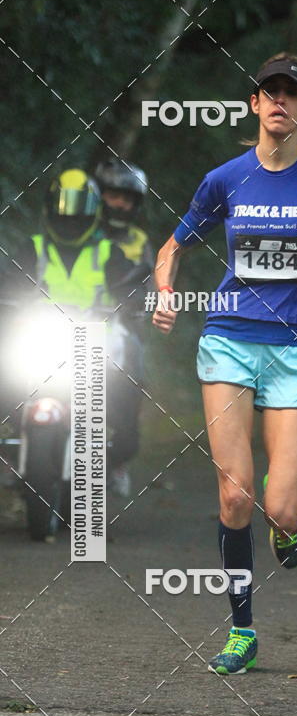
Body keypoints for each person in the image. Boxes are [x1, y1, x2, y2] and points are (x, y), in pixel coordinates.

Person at [152, 53, 297, 675]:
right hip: (229, 339)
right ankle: (242, 628)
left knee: (284, 510)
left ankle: (289, 530)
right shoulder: (225, 178)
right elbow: (173, 244)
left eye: (291, 93)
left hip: (296, 348)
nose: (279, 100)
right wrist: (166, 291)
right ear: (254, 104)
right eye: (269, 91)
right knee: (235, 493)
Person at [0, 168, 147, 495]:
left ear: (93, 213)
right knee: (6, 367)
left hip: (96, 343)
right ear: (50, 209)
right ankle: (11, 448)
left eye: (77, 210)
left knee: (127, 375)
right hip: (41, 337)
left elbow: (134, 283)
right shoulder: (33, 248)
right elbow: (9, 280)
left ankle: (116, 451)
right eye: (62, 208)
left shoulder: (108, 252)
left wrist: (136, 298)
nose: (69, 216)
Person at [95, 158, 154, 496]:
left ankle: (120, 452)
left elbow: (149, 283)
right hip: (68, 321)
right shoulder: (81, 230)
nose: (119, 203)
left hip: (118, 326)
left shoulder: (139, 241)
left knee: (132, 370)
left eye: (127, 198)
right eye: (114, 195)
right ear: (101, 195)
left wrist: (142, 304)